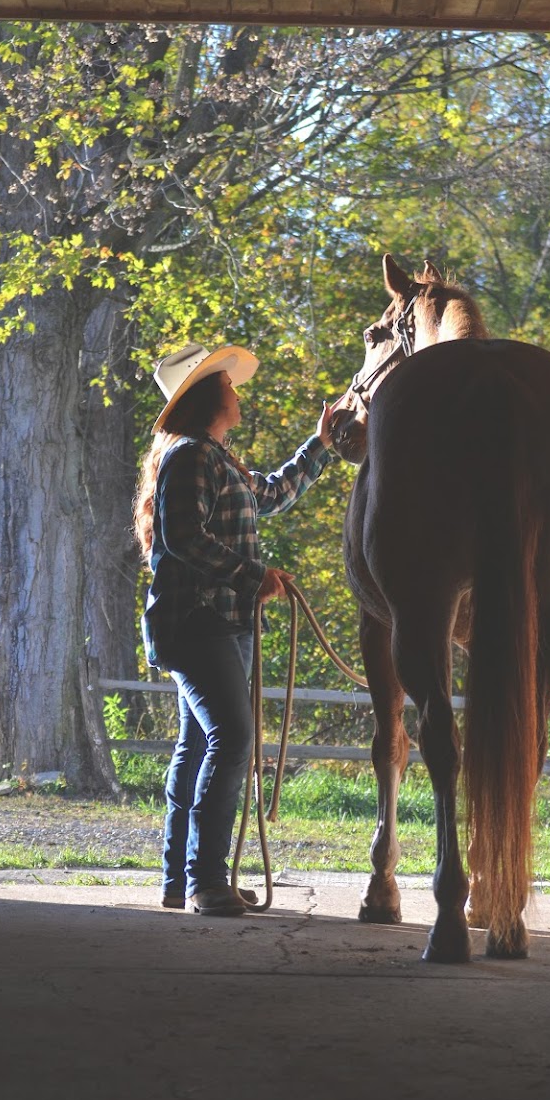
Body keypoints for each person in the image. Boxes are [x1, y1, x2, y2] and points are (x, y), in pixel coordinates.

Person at [133, 342, 335, 917]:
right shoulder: (194, 457)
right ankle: (206, 882)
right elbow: (185, 540)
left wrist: (319, 445)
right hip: (204, 623)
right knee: (231, 741)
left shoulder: (213, 457)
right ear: (207, 397)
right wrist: (255, 576)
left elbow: (268, 496)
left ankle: (183, 879)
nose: (236, 390)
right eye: (228, 384)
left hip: (214, 622)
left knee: (198, 744)